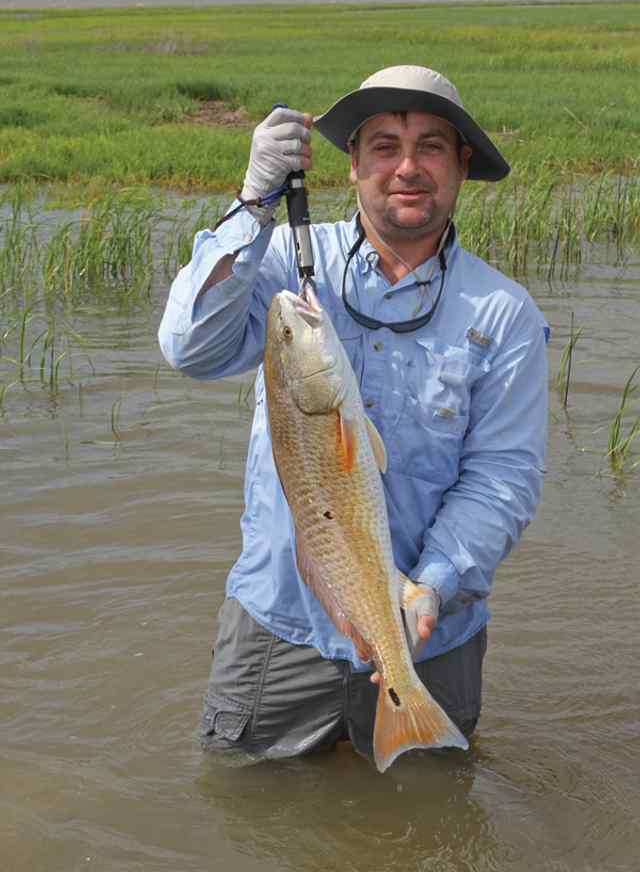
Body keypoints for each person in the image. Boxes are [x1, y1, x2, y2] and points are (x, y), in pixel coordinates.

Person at [158, 65, 548, 765]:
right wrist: (251, 204)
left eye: (431, 146)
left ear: (462, 165)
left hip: (431, 634)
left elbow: (502, 477)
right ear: (353, 163)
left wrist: (434, 583)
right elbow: (190, 348)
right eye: (384, 146)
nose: (407, 167)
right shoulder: (279, 264)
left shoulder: (504, 313)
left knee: (430, 822)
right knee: (242, 807)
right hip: (280, 622)